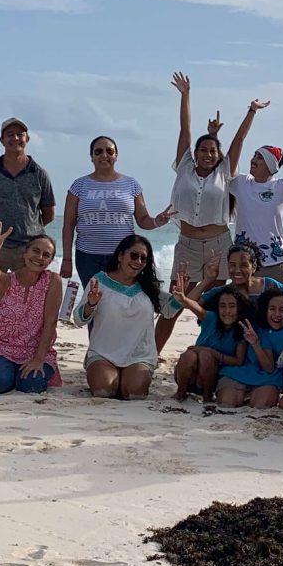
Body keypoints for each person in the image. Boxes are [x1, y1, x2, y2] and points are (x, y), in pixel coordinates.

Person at [154, 76, 261, 353]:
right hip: (187, 245)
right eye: (203, 150)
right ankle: (150, 356)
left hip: (218, 245)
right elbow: (185, 130)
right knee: (174, 304)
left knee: (221, 306)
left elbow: (239, 139)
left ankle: (222, 355)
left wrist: (251, 111)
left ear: (218, 153)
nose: (207, 155)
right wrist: (186, 94)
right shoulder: (184, 167)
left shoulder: (225, 172)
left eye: (212, 151)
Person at [0, 118, 57, 369]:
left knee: (28, 303)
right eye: (9, 134)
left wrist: (32, 236)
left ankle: (24, 348)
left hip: (29, 250)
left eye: (20, 134)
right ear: (1, 140)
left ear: (27, 139)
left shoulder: (40, 174)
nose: (15, 138)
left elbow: (48, 212)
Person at [60, 136, 171, 286]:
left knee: (122, 301)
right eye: (98, 152)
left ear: (116, 156)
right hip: (88, 256)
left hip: (124, 256)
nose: (104, 155)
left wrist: (157, 222)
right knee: (94, 301)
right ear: (91, 157)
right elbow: (68, 225)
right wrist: (67, 259)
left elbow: (143, 219)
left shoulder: (131, 184)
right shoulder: (79, 186)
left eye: (109, 151)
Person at [77, 236, 166, 399]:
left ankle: (129, 378)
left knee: (134, 393)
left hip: (138, 356)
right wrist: (90, 304)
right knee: (104, 391)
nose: (138, 261)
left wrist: (206, 281)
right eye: (133, 255)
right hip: (103, 353)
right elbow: (78, 319)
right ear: (120, 256)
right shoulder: (99, 281)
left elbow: (173, 308)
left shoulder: (148, 287)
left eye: (143, 258)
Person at [0, 225, 63, 394]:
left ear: (50, 261)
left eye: (46, 255)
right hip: (1, 349)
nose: (39, 257)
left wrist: (38, 359)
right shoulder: (7, 280)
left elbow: (50, 323)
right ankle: (4, 371)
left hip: (37, 350)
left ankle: (21, 374)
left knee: (32, 386)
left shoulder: (53, 281)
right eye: (35, 251)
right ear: (25, 253)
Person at [228, 141, 283, 284]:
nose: (253, 159)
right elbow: (225, 166)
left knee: (277, 304)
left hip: (275, 263)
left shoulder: (282, 186)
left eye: (260, 157)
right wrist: (214, 136)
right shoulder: (241, 182)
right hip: (244, 263)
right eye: (254, 155)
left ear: (271, 165)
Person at [167, 285, 250, 402]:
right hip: (189, 375)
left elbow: (238, 360)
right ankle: (181, 392)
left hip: (212, 378)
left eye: (232, 306)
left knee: (206, 356)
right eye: (222, 306)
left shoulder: (241, 329)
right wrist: (184, 299)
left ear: (239, 308)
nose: (227, 311)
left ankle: (207, 396)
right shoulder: (211, 318)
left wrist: (213, 353)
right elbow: (196, 308)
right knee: (189, 355)